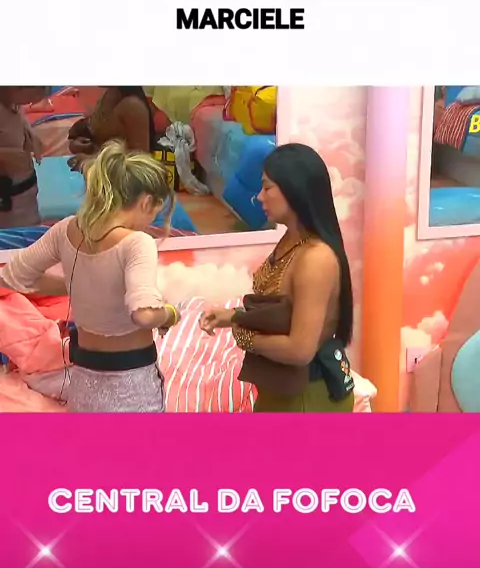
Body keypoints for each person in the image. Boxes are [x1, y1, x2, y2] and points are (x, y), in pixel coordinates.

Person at [0, 140, 181, 412]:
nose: (149, 223)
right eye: (154, 213)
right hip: (132, 387)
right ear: (146, 202)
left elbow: (14, 277)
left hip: (83, 384)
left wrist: (79, 285)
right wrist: (170, 313)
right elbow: (143, 315)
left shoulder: (66, 230)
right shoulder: (137, 243)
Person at [199, 143, 355, 412]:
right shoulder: (291, 240)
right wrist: (234, 316)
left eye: (267, 187)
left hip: (308, 397)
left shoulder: (316, 258)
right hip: (281, 389)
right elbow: (283, 310)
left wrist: (246, 338)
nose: (259, 197)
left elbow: (300, 349)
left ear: (295, 189)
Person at [68, 86, 156, 171]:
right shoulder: (109, 93)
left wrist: (92, 161)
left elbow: (139, 164)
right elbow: (102, 138)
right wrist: (82, 145)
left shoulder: (133, 106)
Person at [0, 87, 48, 228]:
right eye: (37, 91)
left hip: (25, 191)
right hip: (7, 198)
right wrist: (9, 155)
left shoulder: (13, 103)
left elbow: (19, 125)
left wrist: (31, 137)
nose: (37, 99)